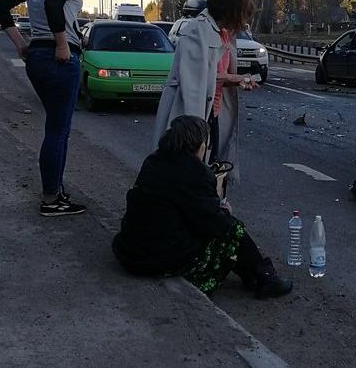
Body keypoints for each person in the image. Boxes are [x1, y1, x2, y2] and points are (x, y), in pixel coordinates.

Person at [113, 115, 292, 299]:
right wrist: (224, 211)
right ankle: (266, 278)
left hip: (130, 252)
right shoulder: (194, 172)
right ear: (198, 145)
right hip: (159, 260)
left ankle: (253, 273)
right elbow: (214, 223)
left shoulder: (153, 160)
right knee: (232, 228)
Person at [0, 0, 86, 217]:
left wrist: (21, 44)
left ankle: (55, 191)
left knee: (55, 128)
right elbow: (53, 4)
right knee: (58, 131)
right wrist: (61, 44)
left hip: (37, 57)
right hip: (60, 57)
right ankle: (51, 199)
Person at [153, 0, 256, 177]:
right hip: (193, 115)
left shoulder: (222, 32)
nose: (242, 22)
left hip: (212, 114)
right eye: (242, 15)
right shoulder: (197, 32)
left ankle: (210, 202)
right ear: (231, 12)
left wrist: (236, 80)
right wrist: (196, 134)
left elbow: (213, 75)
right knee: (188, 169)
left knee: (210, 166)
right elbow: (194, 81)